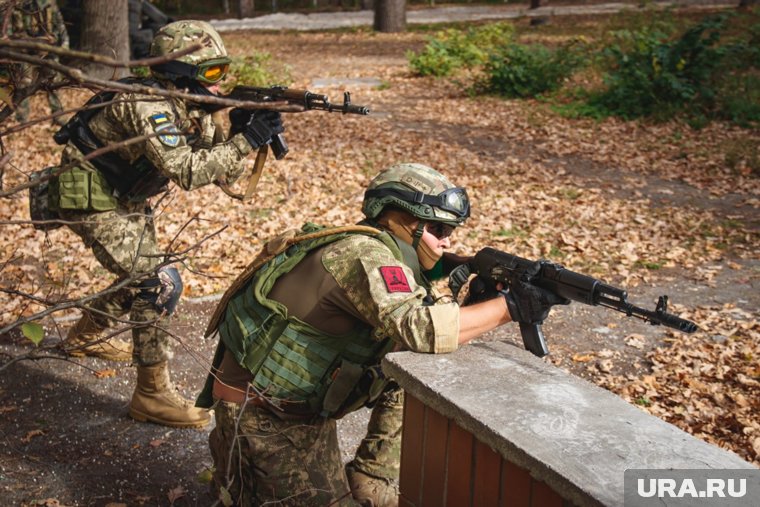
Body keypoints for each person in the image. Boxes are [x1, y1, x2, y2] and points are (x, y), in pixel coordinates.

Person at [198, 163, 567, 505]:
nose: (447, 242)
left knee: (412, 368)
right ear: (401, 220)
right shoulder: (364, 255)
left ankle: (372, 476)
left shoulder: (381, 247)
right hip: (263, 421)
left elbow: (419, 314)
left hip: (294, 410)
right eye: (438, 230)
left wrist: (467, 289)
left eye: (450, 231)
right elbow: (422, 328)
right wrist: (511, 308)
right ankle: (240, 482)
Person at [49, 20, 284, 428]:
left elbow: (221, 174)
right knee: (157, 282)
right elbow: (189, 172)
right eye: (211, 73)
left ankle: (85, 335)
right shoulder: (148, 105)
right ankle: (151, 395)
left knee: (140, 276)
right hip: (89, 193)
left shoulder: (191, 107)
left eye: (223, 71)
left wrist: (240, 133)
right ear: (181, 73)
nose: (219, 83)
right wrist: (245, 142)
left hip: (125, 194)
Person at [4, 0, 69, 125]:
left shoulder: (49, 5)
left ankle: (58, 116)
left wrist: (64, 48)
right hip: (26, 54)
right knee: (22, 85)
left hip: (49, 52)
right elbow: (9, 33)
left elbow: (61, 27)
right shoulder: (18, 7)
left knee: (53, 84)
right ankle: (21, 119)